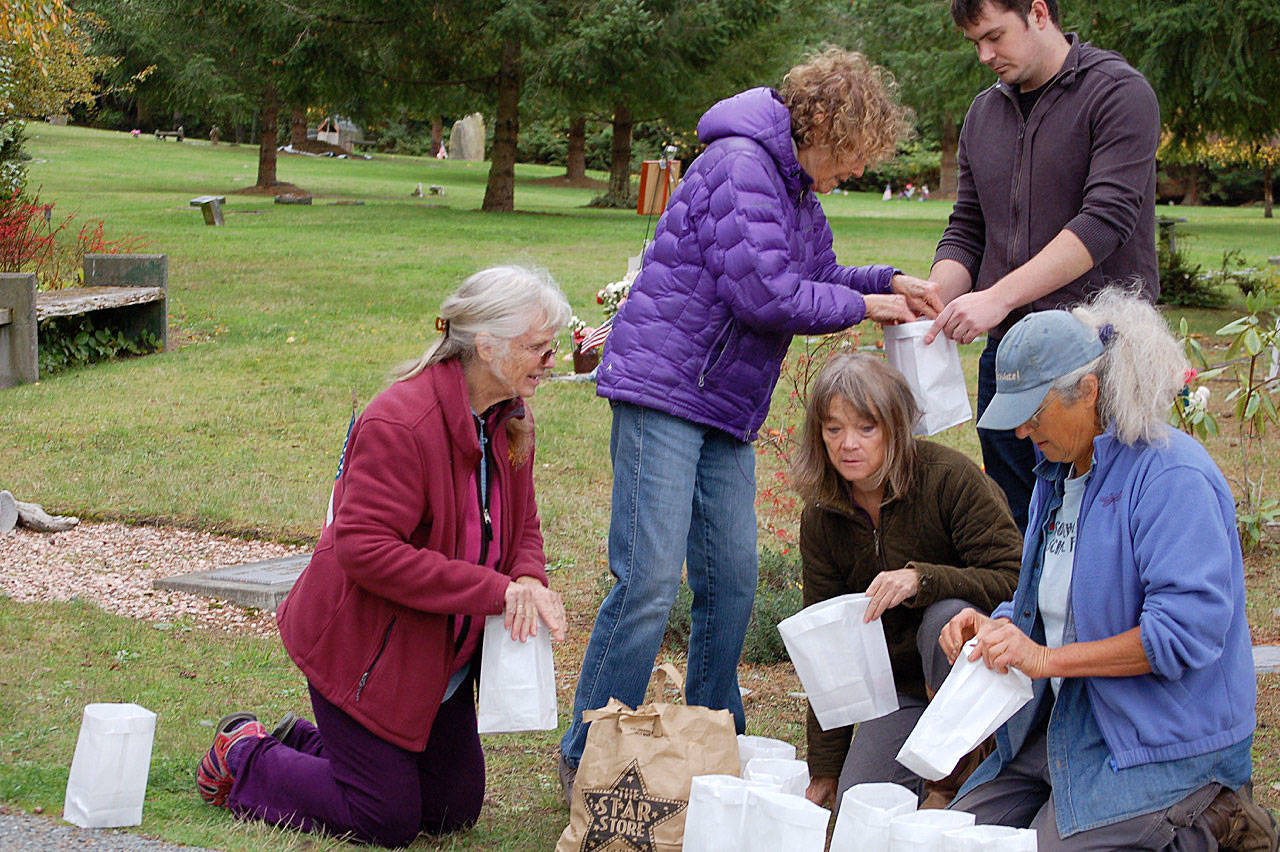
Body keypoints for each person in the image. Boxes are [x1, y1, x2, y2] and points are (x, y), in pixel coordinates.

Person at [558, 47, 944, 800]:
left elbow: (818, 276)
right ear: (827, 126)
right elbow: (766, 293)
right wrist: (865, 307)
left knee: (732, 581)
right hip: (665, 390)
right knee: (646, 582)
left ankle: (708, 737)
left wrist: (886, 281)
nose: (857, 170)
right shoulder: (740, 163)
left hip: (722, 406)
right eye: (857, 153)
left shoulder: (795, 190)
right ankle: (587, 752)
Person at [194, 266, 572, 847]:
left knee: (450, 811)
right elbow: (365, 550)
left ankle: (314, 747)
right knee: (386, 819)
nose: (553, 360)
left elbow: (524, 525)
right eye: (538, 348)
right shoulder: (401, 421)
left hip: (433, 659)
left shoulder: (509, 419)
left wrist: (527, 577)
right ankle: (243, 754)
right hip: (363, 651)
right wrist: (497, 592)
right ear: (487, 344)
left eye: (553, 347)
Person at [940, 289, 1274, 850]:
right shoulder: (1057, 473)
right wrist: (999, 623)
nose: (1022, 433)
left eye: (1034, 412)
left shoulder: (1172, 478)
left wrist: (1046, 659)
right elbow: (1057, 600)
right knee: (945, 837)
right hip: (1069, 723)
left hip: (1161, 738)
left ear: (1088, 392)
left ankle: (1211, 823)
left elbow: (1180, 637)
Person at [924, 0, 1160, 533]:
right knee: (1019, 527)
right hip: (1008, 363)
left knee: (1105, 529)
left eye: (994, 36)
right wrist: (933, 295)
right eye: (974, 43)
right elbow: (967, 228)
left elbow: (1103, 223)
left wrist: (998, 296)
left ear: (1037, 12)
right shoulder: (983, 114)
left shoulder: (1119, 95)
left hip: (1099, 358)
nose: (984, 55)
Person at [793, 354, 1021, 812]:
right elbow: (830, 649)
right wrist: (825, 771)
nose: (847, 445)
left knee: (944, 617)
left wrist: (923, 579)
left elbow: (1016, 579)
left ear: (895, 427)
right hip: (899, 692)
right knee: (861, 802)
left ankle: (969, 767)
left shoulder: (949, 478)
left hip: (976, 681)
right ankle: (930, 772)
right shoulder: (822, 516)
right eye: (833, 429)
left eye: (865, 427)